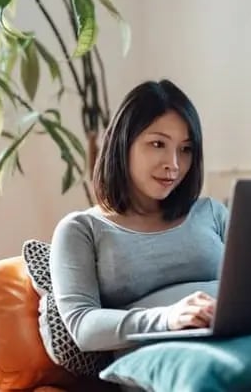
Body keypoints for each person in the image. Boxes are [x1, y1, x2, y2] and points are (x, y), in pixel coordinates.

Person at [49, 79, 228, 353]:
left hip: (241, 344)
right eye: (158, 144)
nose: (174, 164)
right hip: (162, 362)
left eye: (186, 149)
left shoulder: (211, 213)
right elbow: (82, 326)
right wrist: (168, 318)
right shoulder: (82, 229)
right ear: (123, 144)